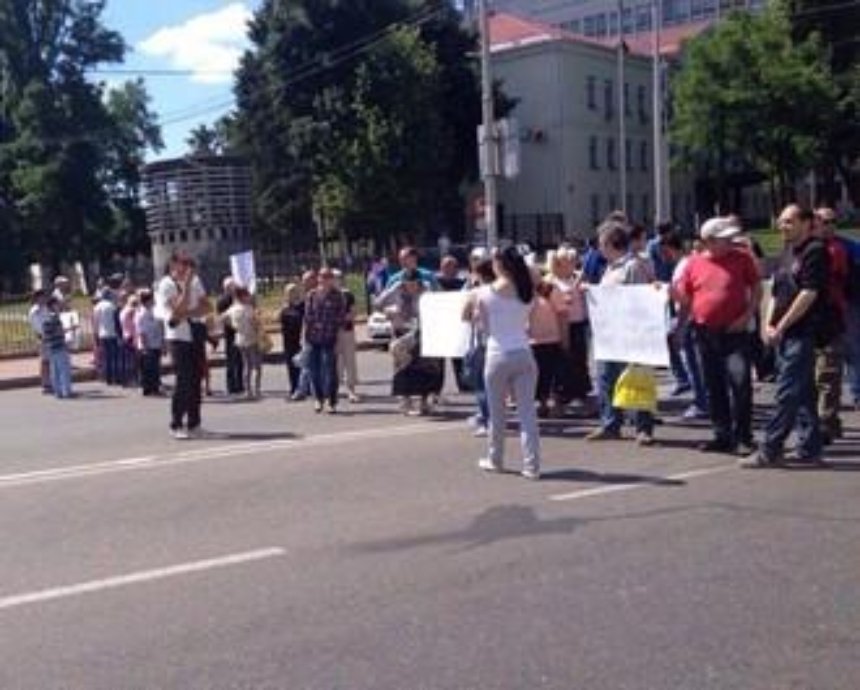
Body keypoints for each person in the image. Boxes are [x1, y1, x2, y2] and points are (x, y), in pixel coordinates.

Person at [742, 205, 830, 468]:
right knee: (802, 392)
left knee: (786, 391)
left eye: (789, 222)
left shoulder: (815, 251)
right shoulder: (787, 252)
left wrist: (781, 325)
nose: (783, 226)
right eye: (781, 222)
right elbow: (777, 292)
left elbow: (808, 294)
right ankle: (810, 447)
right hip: (785, 332)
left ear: (806, 223)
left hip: (803, 332)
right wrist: (768, 323)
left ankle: (770, 447)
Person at [674, 218, 761, 455]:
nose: (730, 241)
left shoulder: (742, 257)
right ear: (709, 241)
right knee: (714, 385)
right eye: (724, 238)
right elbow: (686, 299)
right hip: (705, 332)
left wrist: (747, 315)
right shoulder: (693, 263)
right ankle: (722, 434)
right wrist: (679, 324)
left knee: (740, 383)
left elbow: (756, 287)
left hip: (734, 331)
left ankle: (743, 436)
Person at [585, 218, 658, 446]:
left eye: (601, 243)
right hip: (609, 333)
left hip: (629, 333)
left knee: (635, 379)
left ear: (610, 243)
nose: (599, 248)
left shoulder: (632, 266)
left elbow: (637, 298)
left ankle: (643, 427)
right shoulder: (610, 267)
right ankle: (610, 424)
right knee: (607, 378)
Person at [472, 246, 541, 480]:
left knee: (497, 413)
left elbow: (482, 327)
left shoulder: (483, 293)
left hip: (497, 354)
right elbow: (529, 320)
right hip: (523, 352)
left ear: (499, 265)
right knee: (527, 413)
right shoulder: (528, 291)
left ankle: (496, 459)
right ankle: (532, 466)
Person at [155, 250, 212, 440]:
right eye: (184, 264)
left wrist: (187, 314)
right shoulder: (166, 284)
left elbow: (207, 306)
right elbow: (176, 309)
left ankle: (194, 423)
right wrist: (186, 287)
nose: (188, 269)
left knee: (196, 380)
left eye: (189, 265)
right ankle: (176, 423)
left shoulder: (196, 281)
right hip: (178, 338)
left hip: (195, 334)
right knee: (183, 381)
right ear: (173, 265)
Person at [376, 269, 440, 415]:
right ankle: (405, 401)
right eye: (408, 283)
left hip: (421, 332)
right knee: (403, 369)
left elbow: (435, 305)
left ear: (419, 281)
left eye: (414, 283)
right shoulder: (396, 288)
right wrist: (390, 312)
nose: (411, 287)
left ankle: (424, 402)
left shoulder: (427, 288)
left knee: (425, 367)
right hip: (401, 332)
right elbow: (378, 303)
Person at [662, 232, 709, 420]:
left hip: (687, 317)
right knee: (695, 362)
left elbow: (685, 298)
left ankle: (701, 402)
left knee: (694, 363)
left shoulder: (683, 266)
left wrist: (680, 324)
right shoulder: (686, 264)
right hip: (689, 316)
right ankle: (702, 399)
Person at [812, 207, 849, 444]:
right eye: (824, 221)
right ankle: (828, 421)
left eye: (832, 221)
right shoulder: (810, 249)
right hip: (813, 318)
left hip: (831, 315)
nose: (829, 225)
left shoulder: (834, 250)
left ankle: (827, 422)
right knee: (817, 373)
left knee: (828, 372)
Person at [547, 247, 591, 410]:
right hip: (560, 325)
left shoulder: (575, 278)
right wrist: (574, 287)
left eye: (574, 260)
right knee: (563, 361)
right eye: (568, 261)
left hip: (578, 323)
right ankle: (561, 394)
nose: (573, 263)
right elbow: (562, 301)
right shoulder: (551, 281)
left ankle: (580, 393)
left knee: (579, 359)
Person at [304, 267, 347, 414]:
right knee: (314, 370)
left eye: (328, 277)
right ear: (318, 279)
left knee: (330, 370)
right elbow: (307, 317)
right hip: (313, 338)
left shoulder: (337, 296)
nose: (325, 280)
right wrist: (304, 337)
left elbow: (341, 319)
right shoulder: (312, 295)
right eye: (322, 277)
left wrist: (339, 341)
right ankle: (318, 398)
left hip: (330, 337)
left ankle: (331, 400)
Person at [463, 258, 496, 436]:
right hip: (500, 341)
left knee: (482, 385)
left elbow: (464, 316)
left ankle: (486, 420)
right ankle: (496, 418)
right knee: (496, 386)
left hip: (482, 341)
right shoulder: (502, 291)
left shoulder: (476, 293)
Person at [529, 268, 565, 419]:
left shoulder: (551, 289)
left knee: (551, 375)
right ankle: (540, 404)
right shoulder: (522, 292)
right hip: (530, 341)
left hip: (551, 340)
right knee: (535, 376)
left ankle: (554, 405)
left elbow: (563, 314)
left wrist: (565, 338)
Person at [224, 287, 263, 400]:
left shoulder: (233, 309)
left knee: (247, 365)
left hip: (240, 338)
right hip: (252, 337)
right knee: (256, 365)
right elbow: (255, 323)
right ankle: (256, 390)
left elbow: (223, 318)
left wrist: (234, 325)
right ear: (243, 296)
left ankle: (248, 390)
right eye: (247, 295)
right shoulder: (249, 309)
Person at [290, 270, 318, 401]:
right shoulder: (306, 296)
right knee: (307, 363)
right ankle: (306, 390)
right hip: (307, 333)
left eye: (307, 280)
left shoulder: (318, 294)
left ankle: (308, 390)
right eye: (304, 281)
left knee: (311, 363)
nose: (304, 283)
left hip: (318, 333)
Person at [333, 269, 360, 403]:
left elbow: (354, 312)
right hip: (333, 333)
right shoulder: (328, 294)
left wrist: (344, 318)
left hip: (347, 331)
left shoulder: (347, 294)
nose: (335, 280)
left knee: (350, 361)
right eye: (333, 277)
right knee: (336, 361)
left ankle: (351, 389)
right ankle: (336, 388)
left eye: (338, 277)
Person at [42, 296, 74, 399]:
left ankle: (58, 391)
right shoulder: (54, 317)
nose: (59, 306)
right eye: (57, 304)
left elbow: (46, 334)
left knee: (54, 370)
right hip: (59, 345)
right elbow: (58, 331)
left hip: (51, 346)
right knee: (64, 369)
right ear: (52, 305)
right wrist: (70, 329)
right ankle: (66, 391)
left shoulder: (45, 317)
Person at [216, 277, 244, 396]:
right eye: (231, 286)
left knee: (240, 360)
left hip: (240, 332)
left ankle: (240, 384)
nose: (234, 288)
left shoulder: (238, 298)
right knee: (231, 360)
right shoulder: (223, 300)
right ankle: (231, 385)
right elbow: (222, 317)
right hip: (230, 333)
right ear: (226, 287)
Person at [136, 289, 164, 396]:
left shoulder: (153, 311)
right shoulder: (142, 314)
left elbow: (159, 325)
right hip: (147, 345)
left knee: (155, 367)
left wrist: (162, 342)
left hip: (155, 343)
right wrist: (144, 346)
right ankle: (149, 388)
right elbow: (141, 331)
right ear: (148, 300)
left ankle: (154, 387)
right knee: (149, 368)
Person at [279, 283, 304, 399]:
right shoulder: (284, 308)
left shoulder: (302, 306)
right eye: (289, 292)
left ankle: (303, 388)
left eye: (294, 291)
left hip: (300, 339)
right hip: (288, 340)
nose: (291, 294)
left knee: (302, 365)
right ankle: (293, 388)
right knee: (291, 365)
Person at [93, 288, 120, 386]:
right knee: (114, 357)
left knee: (106, 357)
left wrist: (95, 335)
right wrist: (119, 334)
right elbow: (116, 321)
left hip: (102, 334)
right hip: (112, 333)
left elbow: (95, 322)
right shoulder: (112, 306)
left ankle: (108, 378)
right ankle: (116, 377)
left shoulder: (97, 307)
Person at [28, 290, 51, 393]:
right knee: (44, 361)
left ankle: (50, 381)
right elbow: (37, 326)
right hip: (42, 337)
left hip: (50, 336)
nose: (44, 299)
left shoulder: (46, 308)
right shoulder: (35, 311)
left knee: (49, 361)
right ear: (37, 298)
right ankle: (45, 383)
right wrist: (44, 335)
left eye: (45, 297)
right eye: (42, 297)